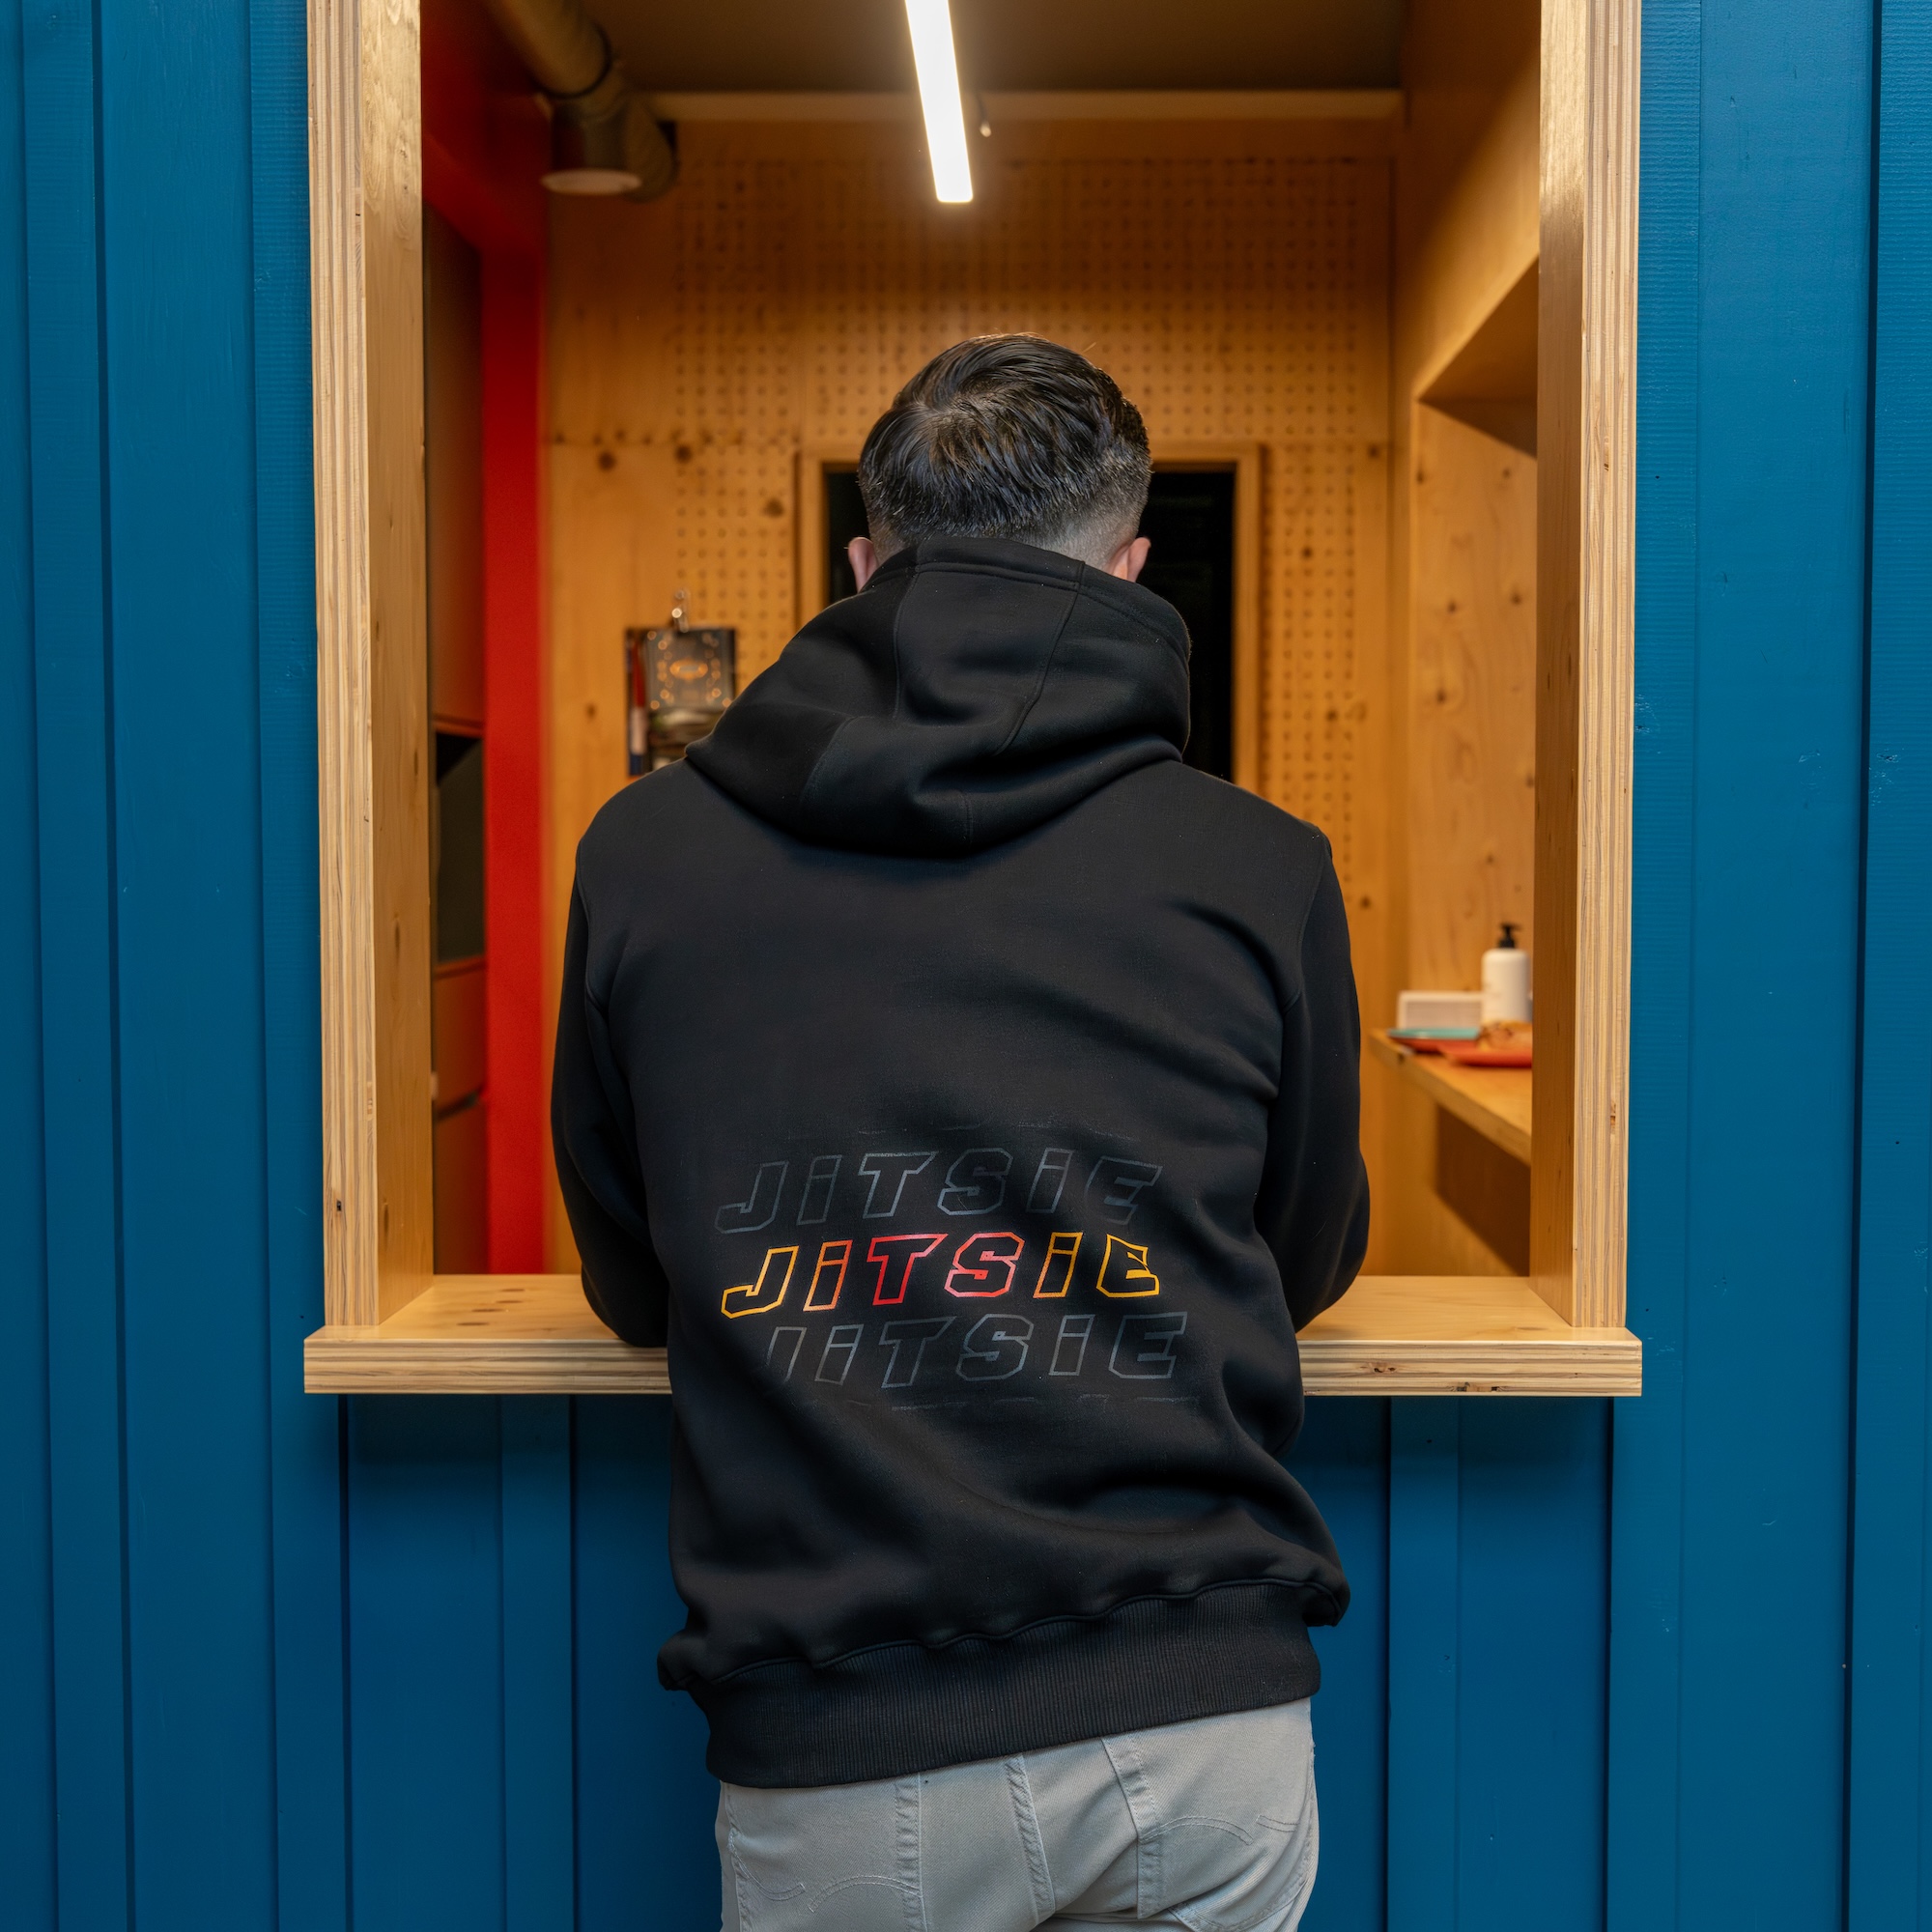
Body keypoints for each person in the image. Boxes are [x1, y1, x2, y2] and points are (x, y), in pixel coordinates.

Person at [552, 334, 1369, 1932]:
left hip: (844, 1741)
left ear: (864, 566)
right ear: (1131, 569)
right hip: (1201, 1709)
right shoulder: (1260, 865)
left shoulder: (643, 856)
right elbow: (1305, 1259)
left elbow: (636, 1283)